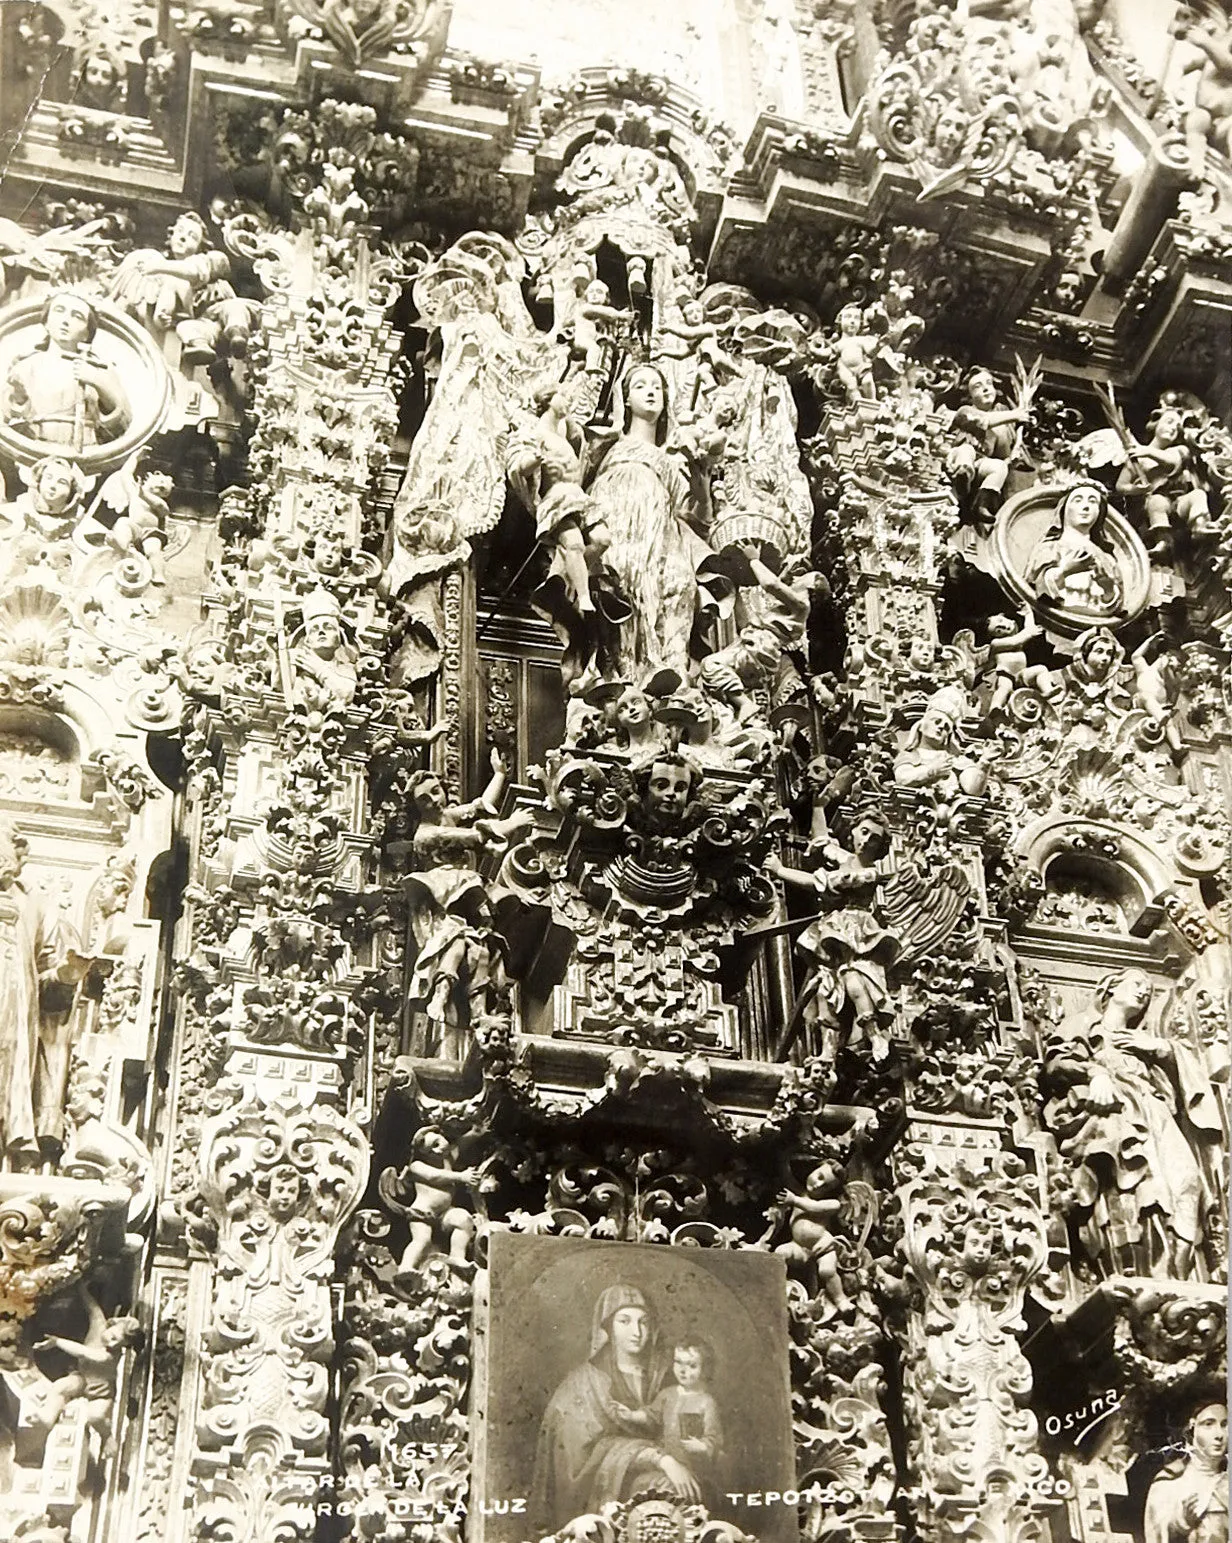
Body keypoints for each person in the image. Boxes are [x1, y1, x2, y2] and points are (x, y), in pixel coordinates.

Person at [1042, 969, 1213, 1280]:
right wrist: (1097, 1073)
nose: (1144, 992)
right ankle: (1144, 1270)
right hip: (1119, 1117)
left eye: (1149, 989)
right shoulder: (1084, 1024)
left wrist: (1160, 1049)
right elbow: (1057, 1064)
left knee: (1188, 1180)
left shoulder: (1145, 1040)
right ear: (1110, 988)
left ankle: (1179, 1272)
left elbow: (1188, 1086)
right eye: (1136, 984)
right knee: (1140, 1185)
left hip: (1154, 1111)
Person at [530, 1284, 702, 1532]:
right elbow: (577, 1458)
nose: (637, 1331)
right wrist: (660, 1458)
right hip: (603, 1492)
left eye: (643, 1322)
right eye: (625, 1321)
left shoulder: (666, 1377)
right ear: (607, 1327)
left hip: (652, 1480)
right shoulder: (582, 1385)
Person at [586, 363, 720, 677]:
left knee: (679, 585)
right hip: (620, 522)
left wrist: (703, 487)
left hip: (662, 533)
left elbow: (698, 520)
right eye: (641, 386)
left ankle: (673, 679)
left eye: (657, 387)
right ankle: (626, 679)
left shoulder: (673, 459)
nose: (650, 392)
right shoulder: (607, 445)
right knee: (625, 588)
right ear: (626, 400)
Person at [0, 819, 94, 1166]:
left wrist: (67, 976)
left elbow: (45, 998)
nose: (14, 854)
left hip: (11, 1023)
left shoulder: (33, 904)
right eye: (10, 844)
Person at [4, 290, 131, 453]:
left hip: (86, 449)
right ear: (46, 322)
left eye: (77, 316)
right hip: (35, 445)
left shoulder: (100, 370)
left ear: (87, 333)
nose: (66, 320)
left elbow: (123, 424)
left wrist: (97, 382)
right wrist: (18, 397)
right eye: (59, 311)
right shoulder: (27, 366)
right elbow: (7, 416)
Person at [1024, 481, 1126, 618]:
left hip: (1097, 623)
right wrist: (1065, 571)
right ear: (1064, 509)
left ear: (1100, 512)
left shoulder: (1107, 558)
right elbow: (1036, 586)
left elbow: (1118, 608)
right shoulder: (1049, 548)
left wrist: (1108, 589)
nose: (1085, 507)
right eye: (1077, 500)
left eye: (1093, 502)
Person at [650, 1338, 723, 1502]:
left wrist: (703, 1446)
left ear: (704, 1369)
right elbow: (651, 1416)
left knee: (681, 1493)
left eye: (692, 1366)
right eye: (678, 1363)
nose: (683, 1371)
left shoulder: (706, 1402)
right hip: (666, 1462)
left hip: (693, 1467)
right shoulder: (666, 1394)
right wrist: (631, 1415)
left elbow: (714, 1438)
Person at [1144, 1401, 1228, 1543]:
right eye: (1208, 1424)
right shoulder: (1170, 1482)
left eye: (1225, 1424)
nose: (1219, 1434)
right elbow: (1156, 1535)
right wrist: (1182, 1523)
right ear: (1190, 1430)